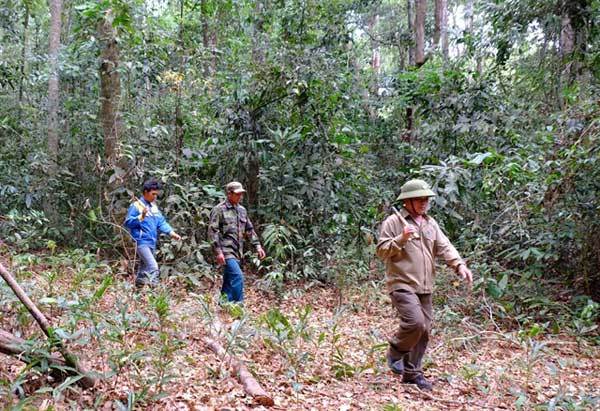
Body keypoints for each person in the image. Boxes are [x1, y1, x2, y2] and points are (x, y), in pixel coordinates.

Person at [376, 179, 473, 390]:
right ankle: (396, 350)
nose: (424, 203)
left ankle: (412, 373)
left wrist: (460, 265)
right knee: (415, 323)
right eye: (419, 199)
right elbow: (382, 251)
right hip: (401, 283)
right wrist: (401, 238)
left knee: (425, 330)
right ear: (407, 202)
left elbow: (445, 246)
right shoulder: (393, 222)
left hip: (425, 286)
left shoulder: (430, 223)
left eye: (426, 199)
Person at [208, 181, 266, 303]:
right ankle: (238, 306)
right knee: (238, 276)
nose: (240, 196)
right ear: (229, 194)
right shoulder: (219, 210)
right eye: (237, 194)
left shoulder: (242, 210)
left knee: (229, 279)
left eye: (241, 194)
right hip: (226, 250)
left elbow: (249, 230)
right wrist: (218, 252)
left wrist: (258, 246)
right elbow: (213, 232)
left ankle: (224, 305)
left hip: (238, 251)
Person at [124, 179, 181, 287]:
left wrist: (171, 232)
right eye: (153, 194)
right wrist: (141, 216)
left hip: (152, 242)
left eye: (156, 194)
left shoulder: (153, 207)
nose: (155, 197)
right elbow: (128, 223)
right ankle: (155, 293)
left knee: (144, 269)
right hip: (141, 242)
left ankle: (137, 291)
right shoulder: (136, 206)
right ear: (145, 192)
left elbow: (161, 222)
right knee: (153, 267)